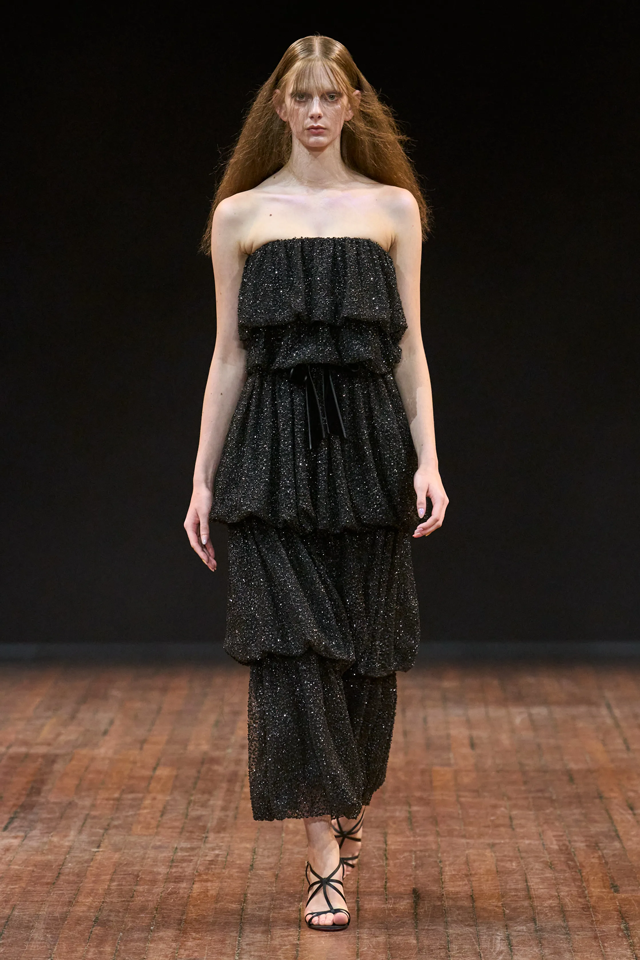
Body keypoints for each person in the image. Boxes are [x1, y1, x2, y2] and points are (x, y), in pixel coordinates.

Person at [184, 35, 448, 932]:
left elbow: (410, 351)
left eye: (331, 95)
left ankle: (345, 797)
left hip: (368, 450)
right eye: (301, 96)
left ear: (354, 105)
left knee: (367, 652)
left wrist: (430, 459)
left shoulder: (393, 208)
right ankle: (322, 861)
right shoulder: (240, 216)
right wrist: (201, 480)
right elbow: (228, 357)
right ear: (278, 107)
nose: (316, 111)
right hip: (269, 454)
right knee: (292, 647)